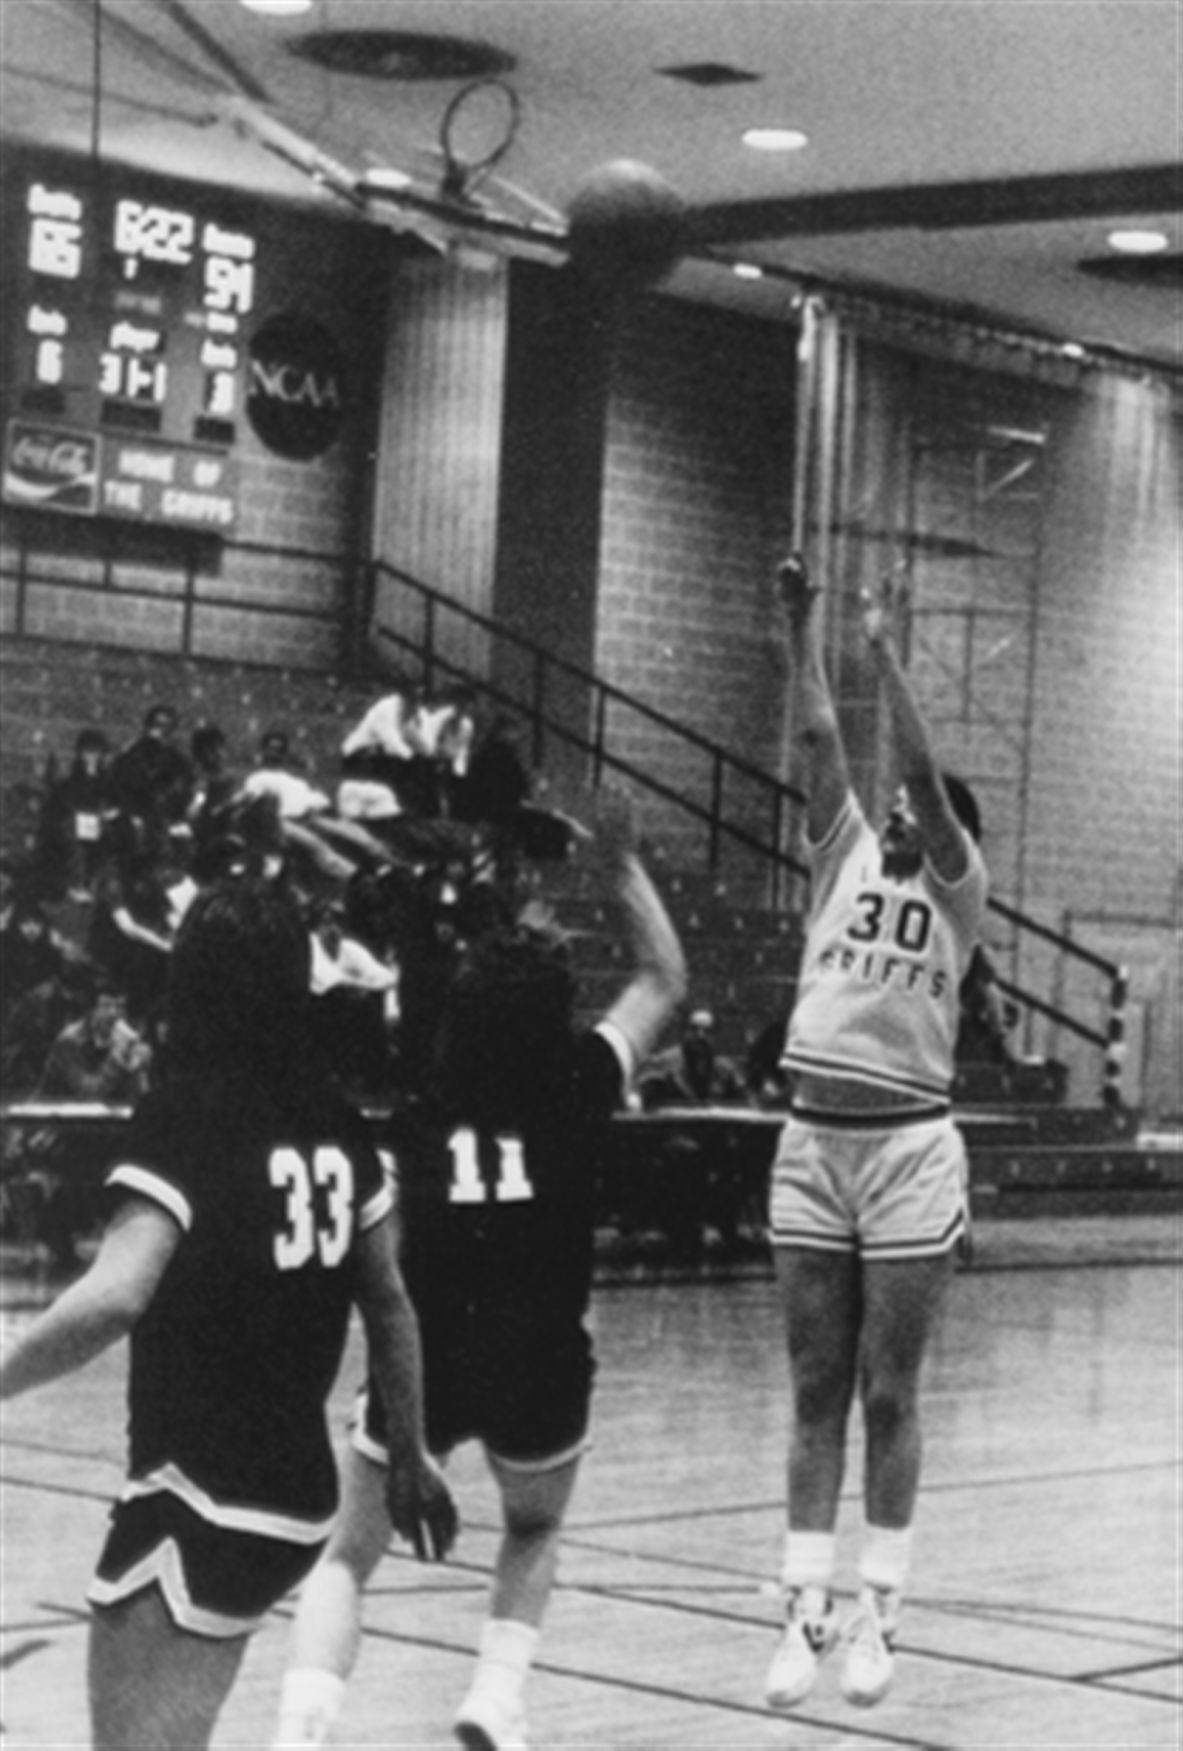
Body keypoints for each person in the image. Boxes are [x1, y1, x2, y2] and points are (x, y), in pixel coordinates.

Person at [0, 874, 457, 1750]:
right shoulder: (337, 1121)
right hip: (296, 1499)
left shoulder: (184, 1110)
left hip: (198, 1493)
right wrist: (408, 1456)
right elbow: (391, 1303)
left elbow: (117, 1294)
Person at [272, 788, 687, 1751]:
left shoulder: (422, 1101)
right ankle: (495, 1697)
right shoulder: (580, 1080)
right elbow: (662, 978)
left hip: (431, 1353)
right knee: (533, 1528)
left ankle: (301, 1729)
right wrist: (621, 864)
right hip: (542, 1353)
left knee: (349, 1556)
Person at [763, 555, 988, 1712]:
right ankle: (803, 1606)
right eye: (892, 808)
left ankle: (879, 1614)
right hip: (812, 1143)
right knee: (814, 1385)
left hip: (907, 1149)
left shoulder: (955, 886)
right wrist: (804, 630)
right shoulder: (840, 855)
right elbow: (816, 743)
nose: (895, 812)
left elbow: (923, 778)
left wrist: (886, 649)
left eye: (911, 809)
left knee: (887, 1390)